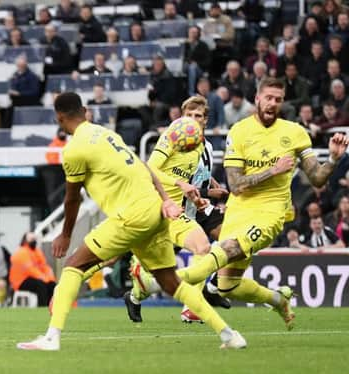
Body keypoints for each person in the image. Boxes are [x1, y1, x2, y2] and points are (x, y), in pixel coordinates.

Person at [17, 93, 245, 351]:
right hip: (155, 209)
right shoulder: (106, 134)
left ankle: (51, 337)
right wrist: (165, 200)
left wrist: (66, 234)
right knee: (171, 283)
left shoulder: (73, 149)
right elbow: (144, 167)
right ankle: (228, 334)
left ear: (59, 118)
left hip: (132, 214)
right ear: (85, 111)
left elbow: (72, 199)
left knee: (73, 266)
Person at [176, 77, 349, 331]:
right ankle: (278, 300)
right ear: (257, 99)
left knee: (229, 247)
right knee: (227, 286)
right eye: (268, 98)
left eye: (278, 99)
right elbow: (235, 184)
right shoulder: (239, 131)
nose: (272, 103)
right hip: (239, 209)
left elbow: (317, 178)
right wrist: (274, 170)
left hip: (271, 212)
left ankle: (168, 280)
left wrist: (333, 160)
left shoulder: (295, 133)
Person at [123, 96, 231, 324]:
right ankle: (134, 295)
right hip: (166, 208)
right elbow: (151, 169)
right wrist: (190, 187)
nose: (192, 120)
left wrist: (209, 182)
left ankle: (206, 293)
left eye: (198, 116)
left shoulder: (205, 146)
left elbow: (193, 176)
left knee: (230, 237)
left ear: (206, 120)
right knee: (149, 270)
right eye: (188, 115)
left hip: (194, 208)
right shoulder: (172, 138)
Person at [9, 232, 56, 307]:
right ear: (25, 240)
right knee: (41, 285)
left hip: (35, 278)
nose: (34, 241)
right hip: (20, 281)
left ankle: (52, 307)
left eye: (34, 239)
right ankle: (42, 307)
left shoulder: (37, 252)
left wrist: (50, 278)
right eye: (31, 239)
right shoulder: (21, 252)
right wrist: (45, 278)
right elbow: (30, 270)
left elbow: (45, 266)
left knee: (52, 285)